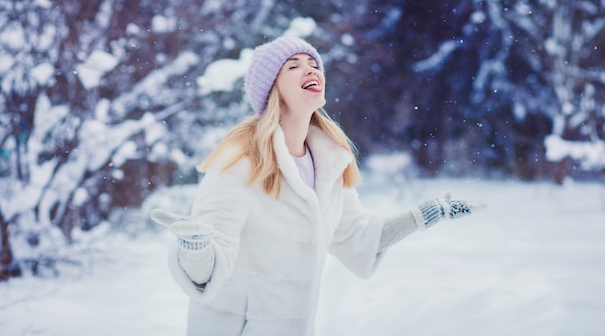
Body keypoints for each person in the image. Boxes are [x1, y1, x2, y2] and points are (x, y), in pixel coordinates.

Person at [151, 36, 485, 336]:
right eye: (293, 66)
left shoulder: (328, 162)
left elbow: (359, 236)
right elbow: (210, 264)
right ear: (272, 89)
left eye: (313, 64)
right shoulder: (240, 159)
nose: (310, 69)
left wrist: (424, 215)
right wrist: (195, 249)